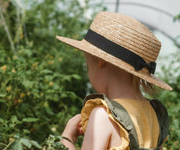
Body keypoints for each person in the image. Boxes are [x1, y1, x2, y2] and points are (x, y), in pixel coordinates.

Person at [56, 11, 172, 150]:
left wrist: (67, 139)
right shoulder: (155, 114)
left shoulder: (103, 116)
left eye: (88, 66)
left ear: (101, 62)